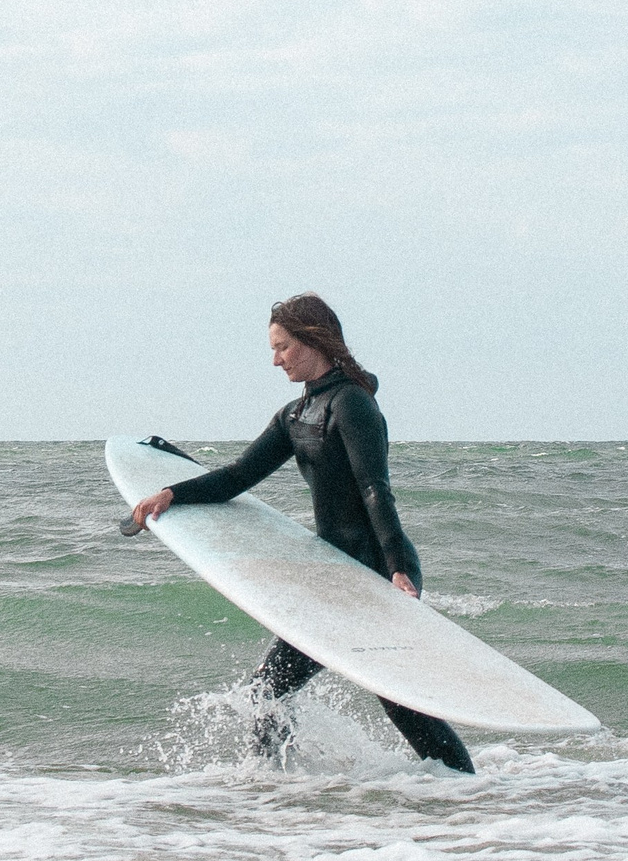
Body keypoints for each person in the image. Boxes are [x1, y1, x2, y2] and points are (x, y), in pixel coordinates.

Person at [126, 293, 474, 774]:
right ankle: (279, 786)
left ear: (314, 341)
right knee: (271, 692)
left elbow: (375, 489)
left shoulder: (352, 405)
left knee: (395, 702)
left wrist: (397, 568)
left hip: (375, 572)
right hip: (334, 574)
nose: (276, 360)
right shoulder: (296, 414)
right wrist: (172, 494)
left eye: (283, 347)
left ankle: (462, 787)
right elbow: (238, 475)